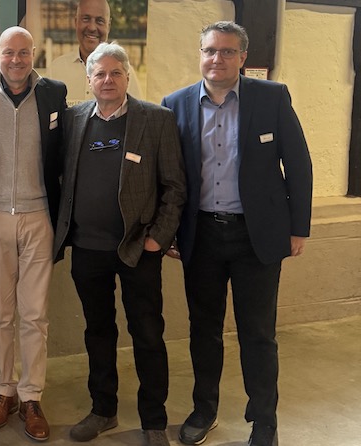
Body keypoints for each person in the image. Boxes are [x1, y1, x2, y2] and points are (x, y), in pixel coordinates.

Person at [161, 21, 312, 446]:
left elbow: (297, 164)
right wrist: (170, 230)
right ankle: (204, 410)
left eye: (228, 51)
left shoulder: (272, 98)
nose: (218, 59)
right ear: (201, 54)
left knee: (259, 334)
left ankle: (264, 420)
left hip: (256, 238)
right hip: (201, 237)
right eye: (210, 50)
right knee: (203, 330)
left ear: (243, 58)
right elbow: (168, 176)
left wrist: (298, 228)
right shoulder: (175, 104)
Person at [53, 42, 186, 446]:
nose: (107, 80)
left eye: (115, 73)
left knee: (146, 333)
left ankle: (153, 421)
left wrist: (157, 239)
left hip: (135, 249)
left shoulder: (156, 119)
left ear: (128, 76)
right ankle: (103, 410)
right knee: (98, 331)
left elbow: (175, 186)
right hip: (87, 249)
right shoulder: (75, 119)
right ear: (88, 80)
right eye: (99, 74)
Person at [0, 26, 67, 442]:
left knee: (35, 315)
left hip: (40, 214)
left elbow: (63, 153)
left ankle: (32, 396)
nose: (16, 60)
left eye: (24, 53)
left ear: (34, 53)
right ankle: (4, 390)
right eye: (9, 53)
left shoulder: (54, 93)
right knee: (1, 315)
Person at [47, 0, 143, 105]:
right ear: (76, 22)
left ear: (109, 26)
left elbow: (137, 117)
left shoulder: (124, 72)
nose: (92, 28)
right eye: (86, 19)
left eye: (99, 21)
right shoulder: (56, 70)